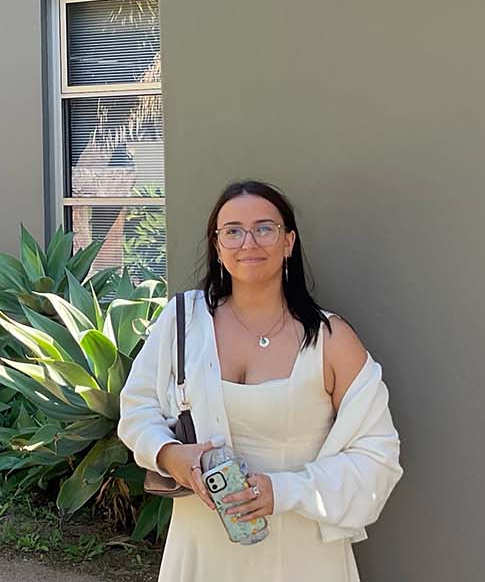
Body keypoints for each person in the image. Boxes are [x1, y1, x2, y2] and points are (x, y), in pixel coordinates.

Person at [119, 180, 402, 581]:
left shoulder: (330, 340)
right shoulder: (182, 321)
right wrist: (168, 455)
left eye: (264, 228)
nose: (248, 241)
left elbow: (378, 454)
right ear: (217, 246)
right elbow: (137, 411)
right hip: (201, 550)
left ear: (288, 242)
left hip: (301, 558)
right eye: (232, 231)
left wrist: (282, 491)